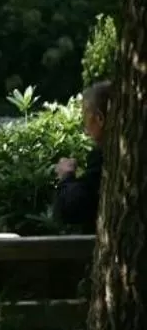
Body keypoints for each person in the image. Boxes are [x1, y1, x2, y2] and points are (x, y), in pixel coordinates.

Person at [56, 79, 112, 229]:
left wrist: (66, 176)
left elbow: (74, 208)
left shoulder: (106, 156)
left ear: (99, 119)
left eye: (86, 116)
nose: (85, 127)